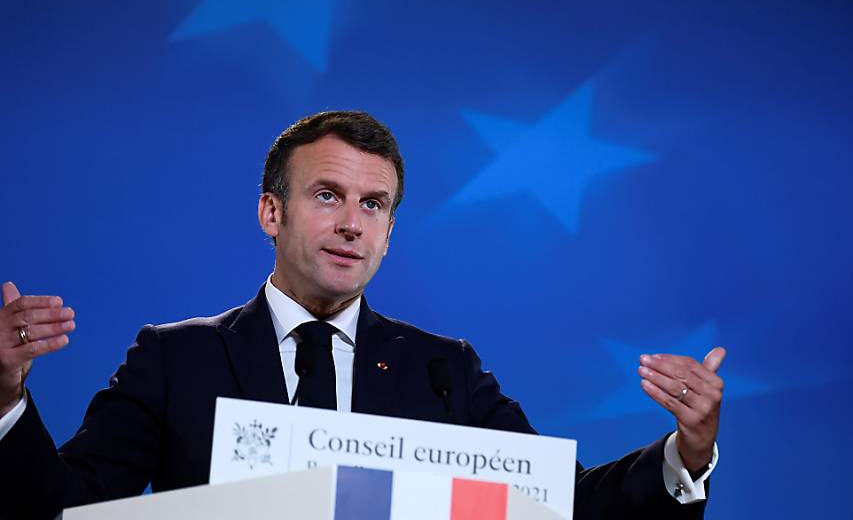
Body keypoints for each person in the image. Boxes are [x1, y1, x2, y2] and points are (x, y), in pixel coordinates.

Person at [0, 111, 725, 519]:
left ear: (389, 233)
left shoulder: (445, 371)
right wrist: (5, 398)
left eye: (372, 205)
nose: (352, 223)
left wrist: (683, 457)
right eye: (327, 196)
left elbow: (562, 505)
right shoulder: (175, 358)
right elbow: (62, 508)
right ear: (270, 212)